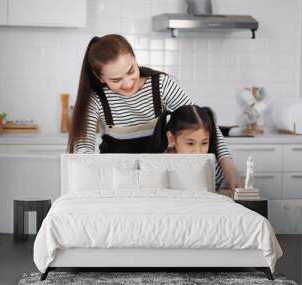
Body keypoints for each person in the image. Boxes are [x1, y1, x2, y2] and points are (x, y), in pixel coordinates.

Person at [68, 34, 240, 191]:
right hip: (118, 183)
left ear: (135, 59)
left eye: (131, 71)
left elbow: (202, 125)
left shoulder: (162, 86)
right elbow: (83, 151)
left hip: (158, 181)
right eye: (116, 80)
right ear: (100, 78)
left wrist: (229, 171)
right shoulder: (96, 99)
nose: (128, 83)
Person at [150, 105, 233, 196]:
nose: (198, 151)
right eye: (190, 143)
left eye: (204, 143)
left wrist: (222, 192)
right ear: (171, 139)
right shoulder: (161, 164)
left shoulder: (213, 166)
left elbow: (220, 190)